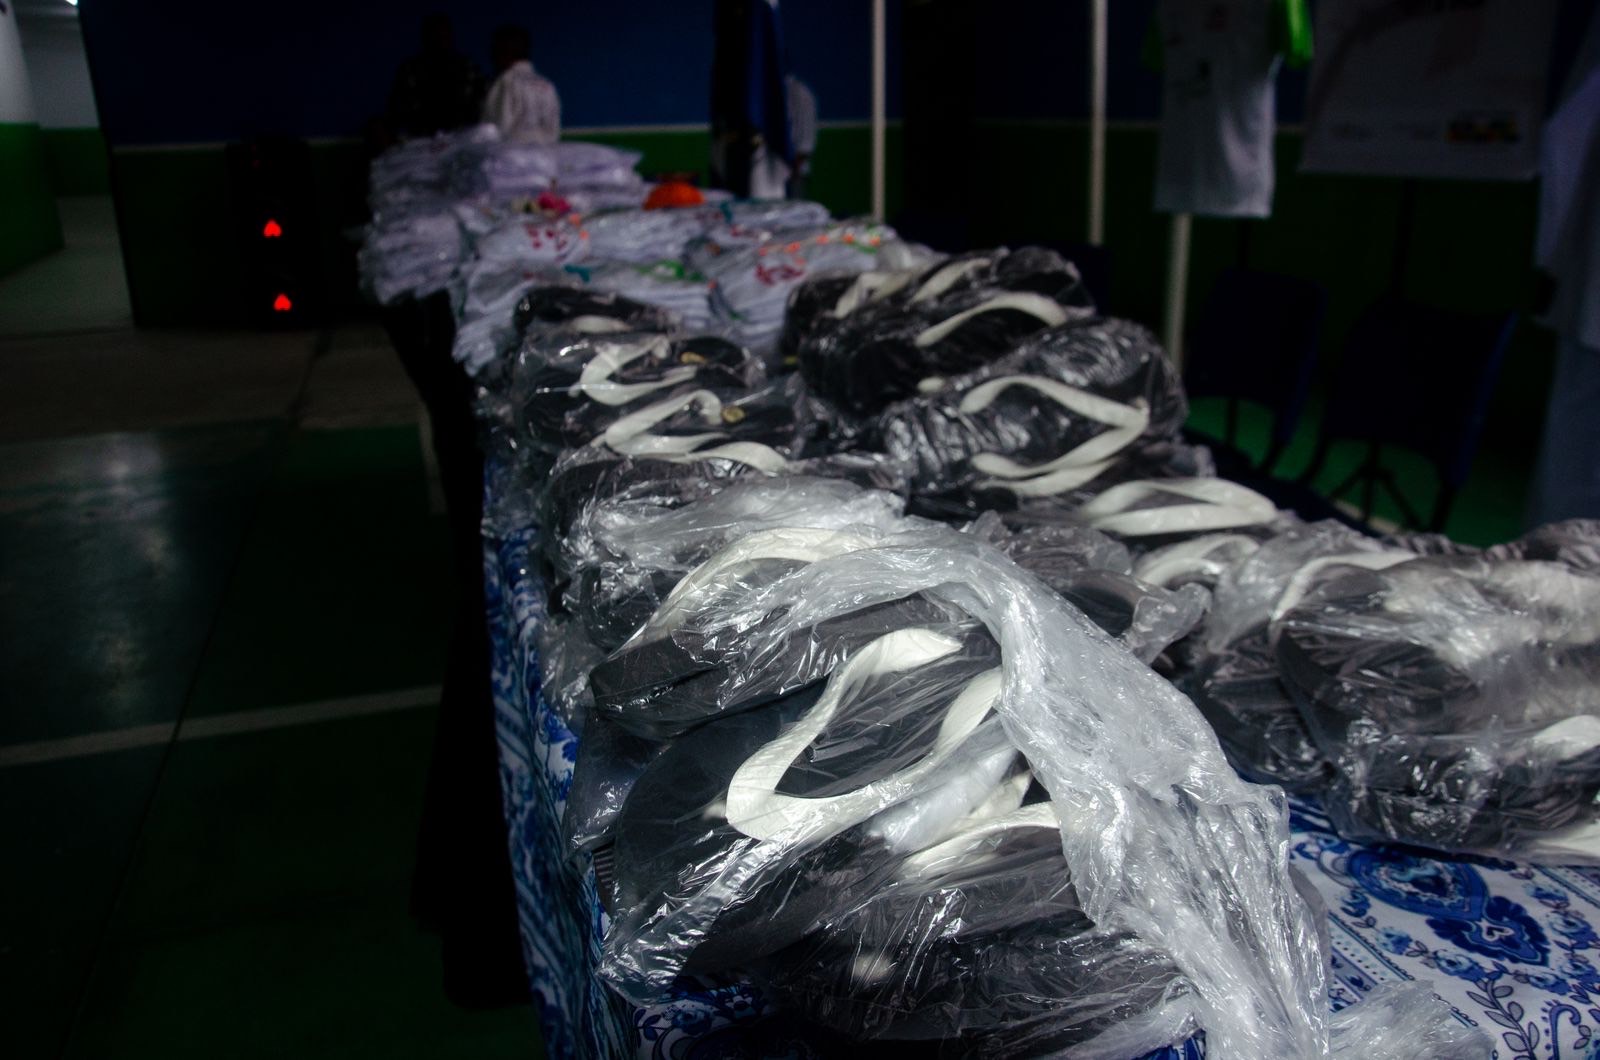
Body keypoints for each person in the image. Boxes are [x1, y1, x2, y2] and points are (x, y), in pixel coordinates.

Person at [387, 13, 486, 139]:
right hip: (422, 140)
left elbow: (481, 102)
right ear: (426, 37)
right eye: (435, 34)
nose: (440, 39)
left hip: (462, 137)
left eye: (445, 34)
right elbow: (398, 109)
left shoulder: (467, 67)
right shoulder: (410, 70)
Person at [483, 24, 561, 146]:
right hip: (545, 154)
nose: (491, 57)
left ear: (505, 51)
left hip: (510, 155)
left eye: (494, 50)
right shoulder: (547, 85)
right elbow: (554, 130)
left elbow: (497, 130)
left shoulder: (506, 81)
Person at [786, 75, 817, 199]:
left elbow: (806, 142)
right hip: (777, 171)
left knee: (795, 205)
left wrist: (795, 168)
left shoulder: (799, 93)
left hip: (795, 171)